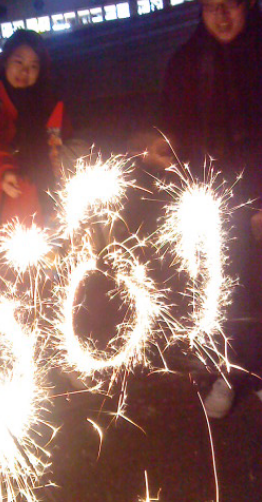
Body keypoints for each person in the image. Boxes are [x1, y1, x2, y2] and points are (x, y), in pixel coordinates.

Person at [157, 0, 262, 418]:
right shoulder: (186, 62)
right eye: (211, 6)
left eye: (230, 3)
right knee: (224, 289)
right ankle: (230, 370)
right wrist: (162, 146)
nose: (221, 16)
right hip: (214, 198)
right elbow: (171, 125)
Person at [0, 30, 69, 231]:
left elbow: (64, 138)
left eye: (33, 66)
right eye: (19, 62)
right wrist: (3, 170)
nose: (25, 72)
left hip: (55, 194)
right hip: (16, 198)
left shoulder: (48, 102)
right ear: (5, 61)